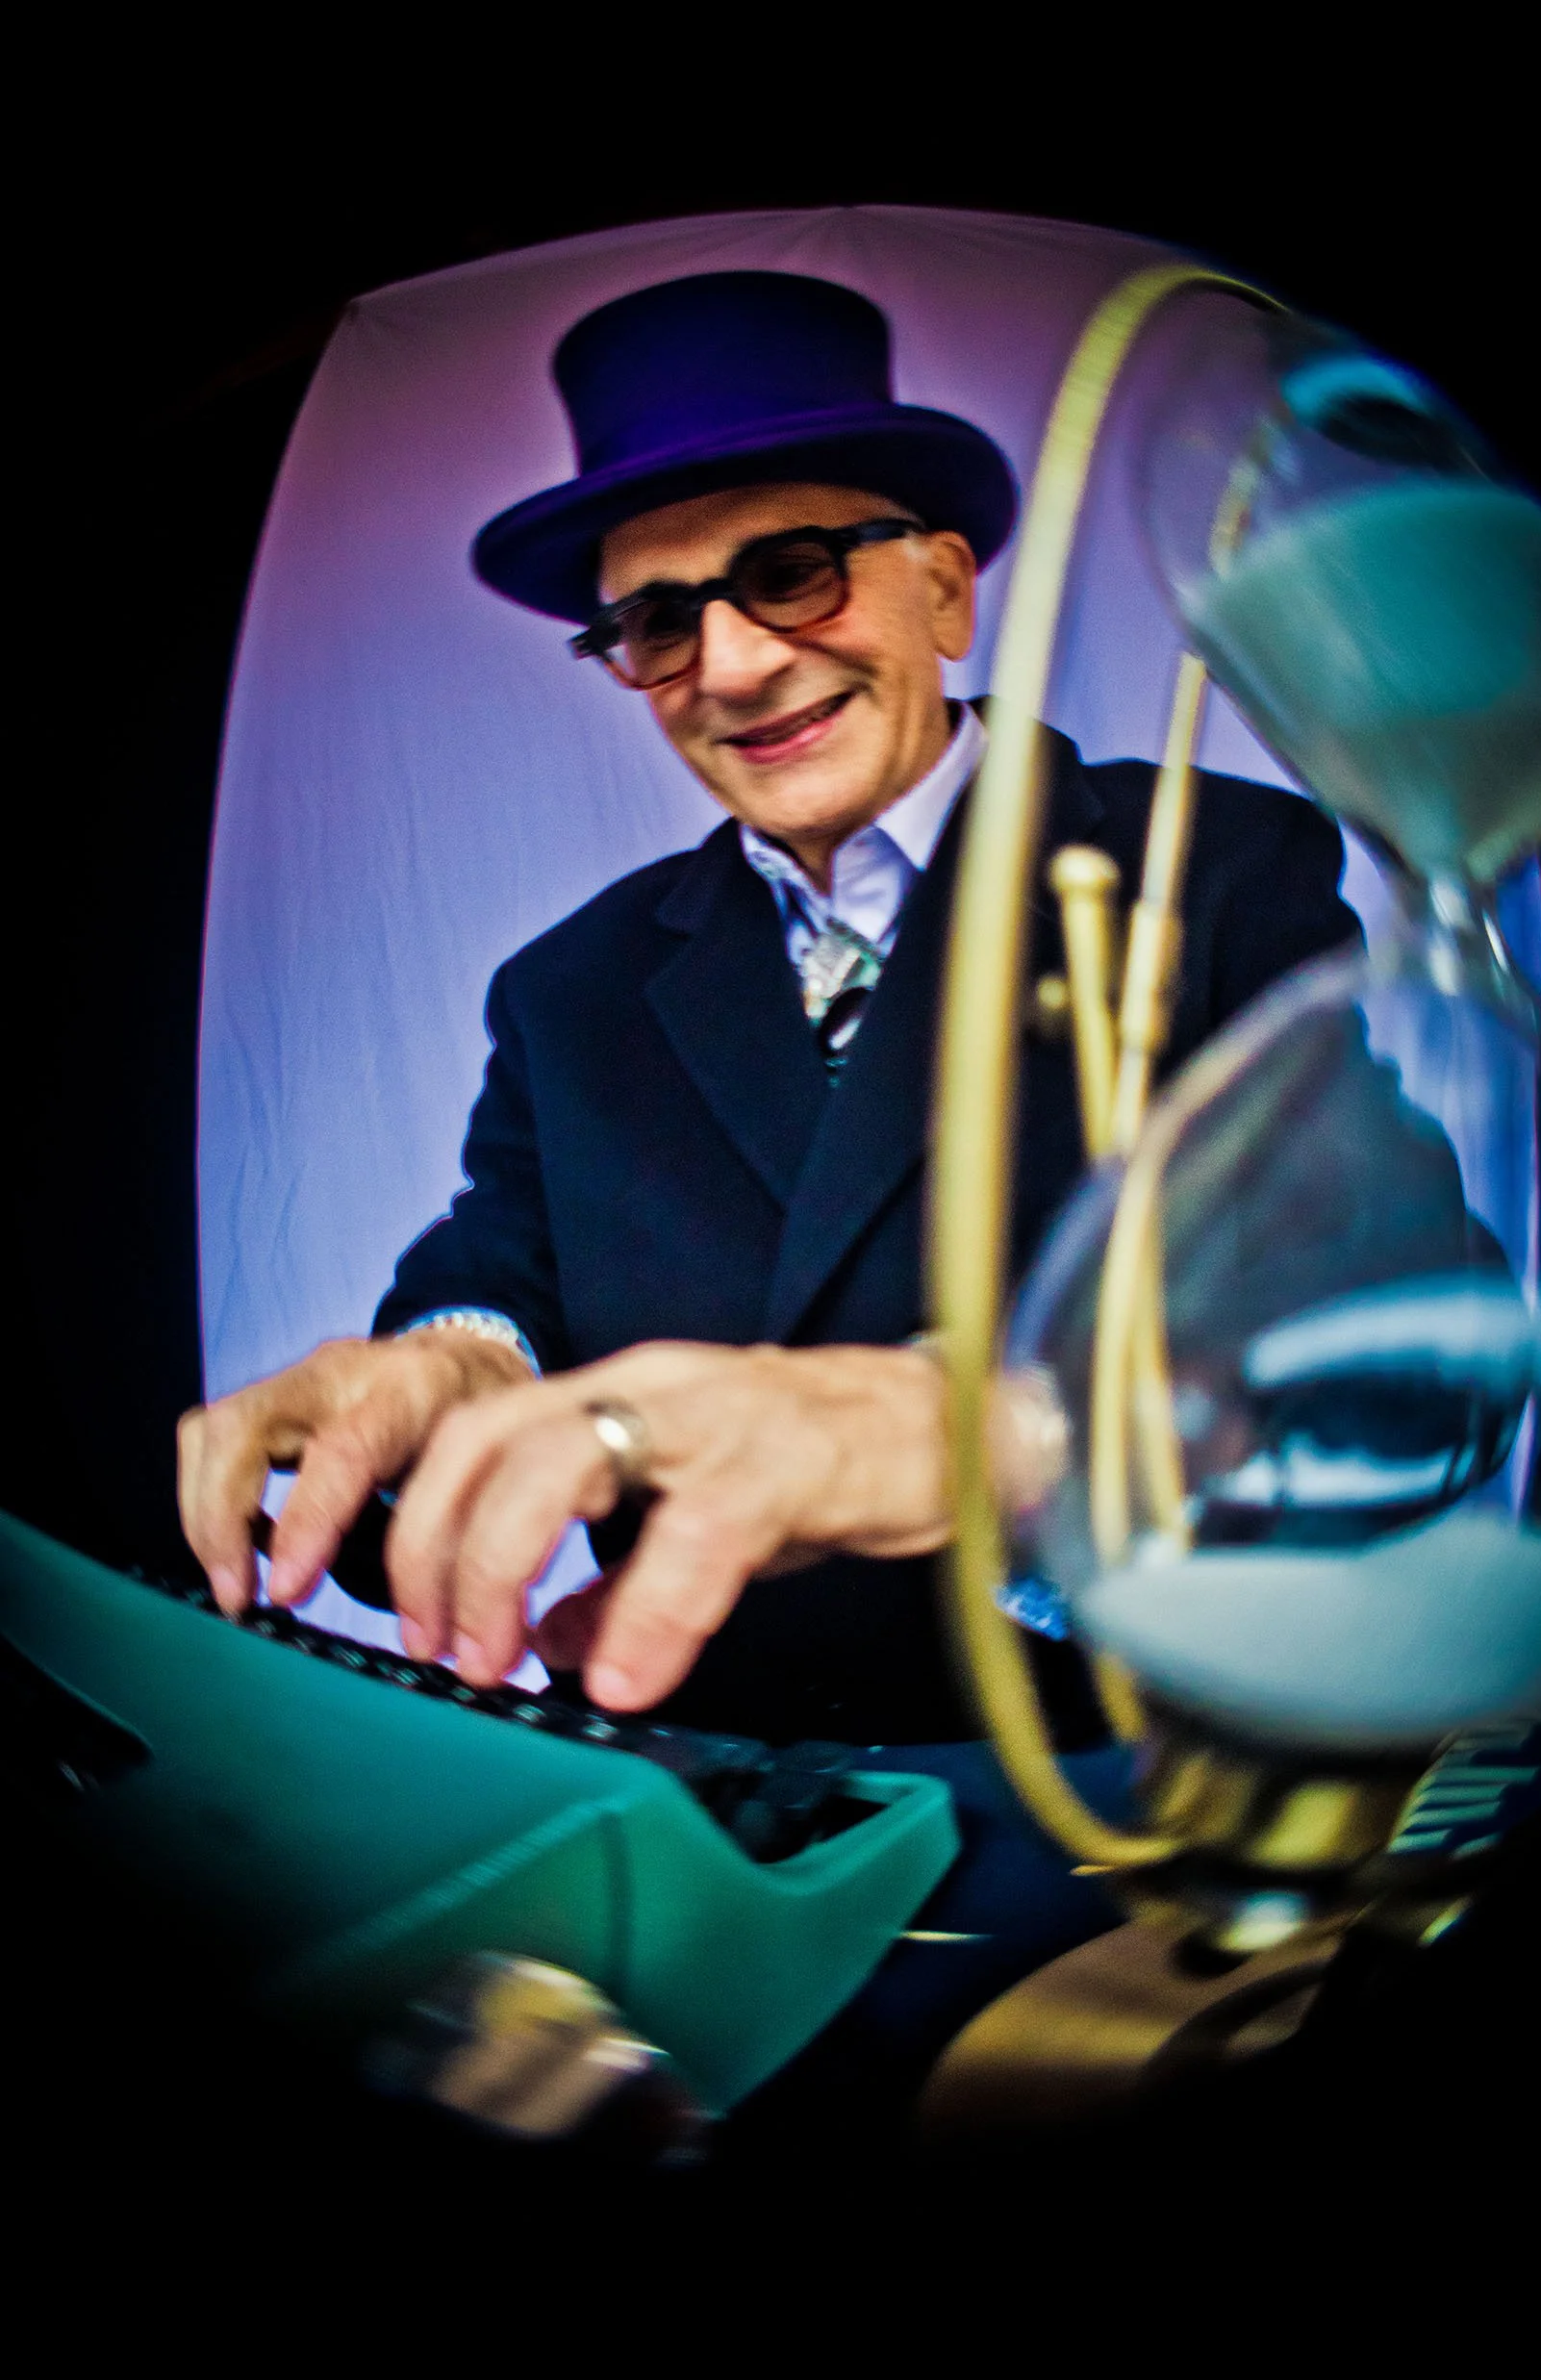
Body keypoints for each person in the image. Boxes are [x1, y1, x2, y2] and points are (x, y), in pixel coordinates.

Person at [179, 269, 1365, 1748]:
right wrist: (456, 1359)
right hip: (705, 1789)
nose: (732, 666)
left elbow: (1357, 1312)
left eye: (795, 569)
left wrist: (977, 1429)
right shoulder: (571, 986)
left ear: (942, 586)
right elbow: (502, 1269)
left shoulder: (1216, 868)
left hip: (1118, 1779)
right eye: (659, 621)